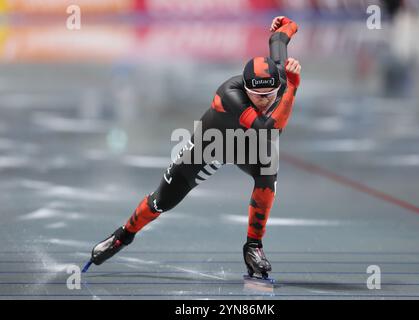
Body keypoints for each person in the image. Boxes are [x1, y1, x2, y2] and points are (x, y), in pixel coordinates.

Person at [85, 16, 301, 279]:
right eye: (258, 97)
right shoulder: (230, 95)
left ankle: (253, 247)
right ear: (246, 91)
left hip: (248, 144)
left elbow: (280, 37)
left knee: (268, 174)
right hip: (211, 146)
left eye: (270, 95)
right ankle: (123, 236)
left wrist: (284, 23)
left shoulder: (278, 74)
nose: (265, 101)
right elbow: (270, 129)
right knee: (161, 202)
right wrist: (291, 87)